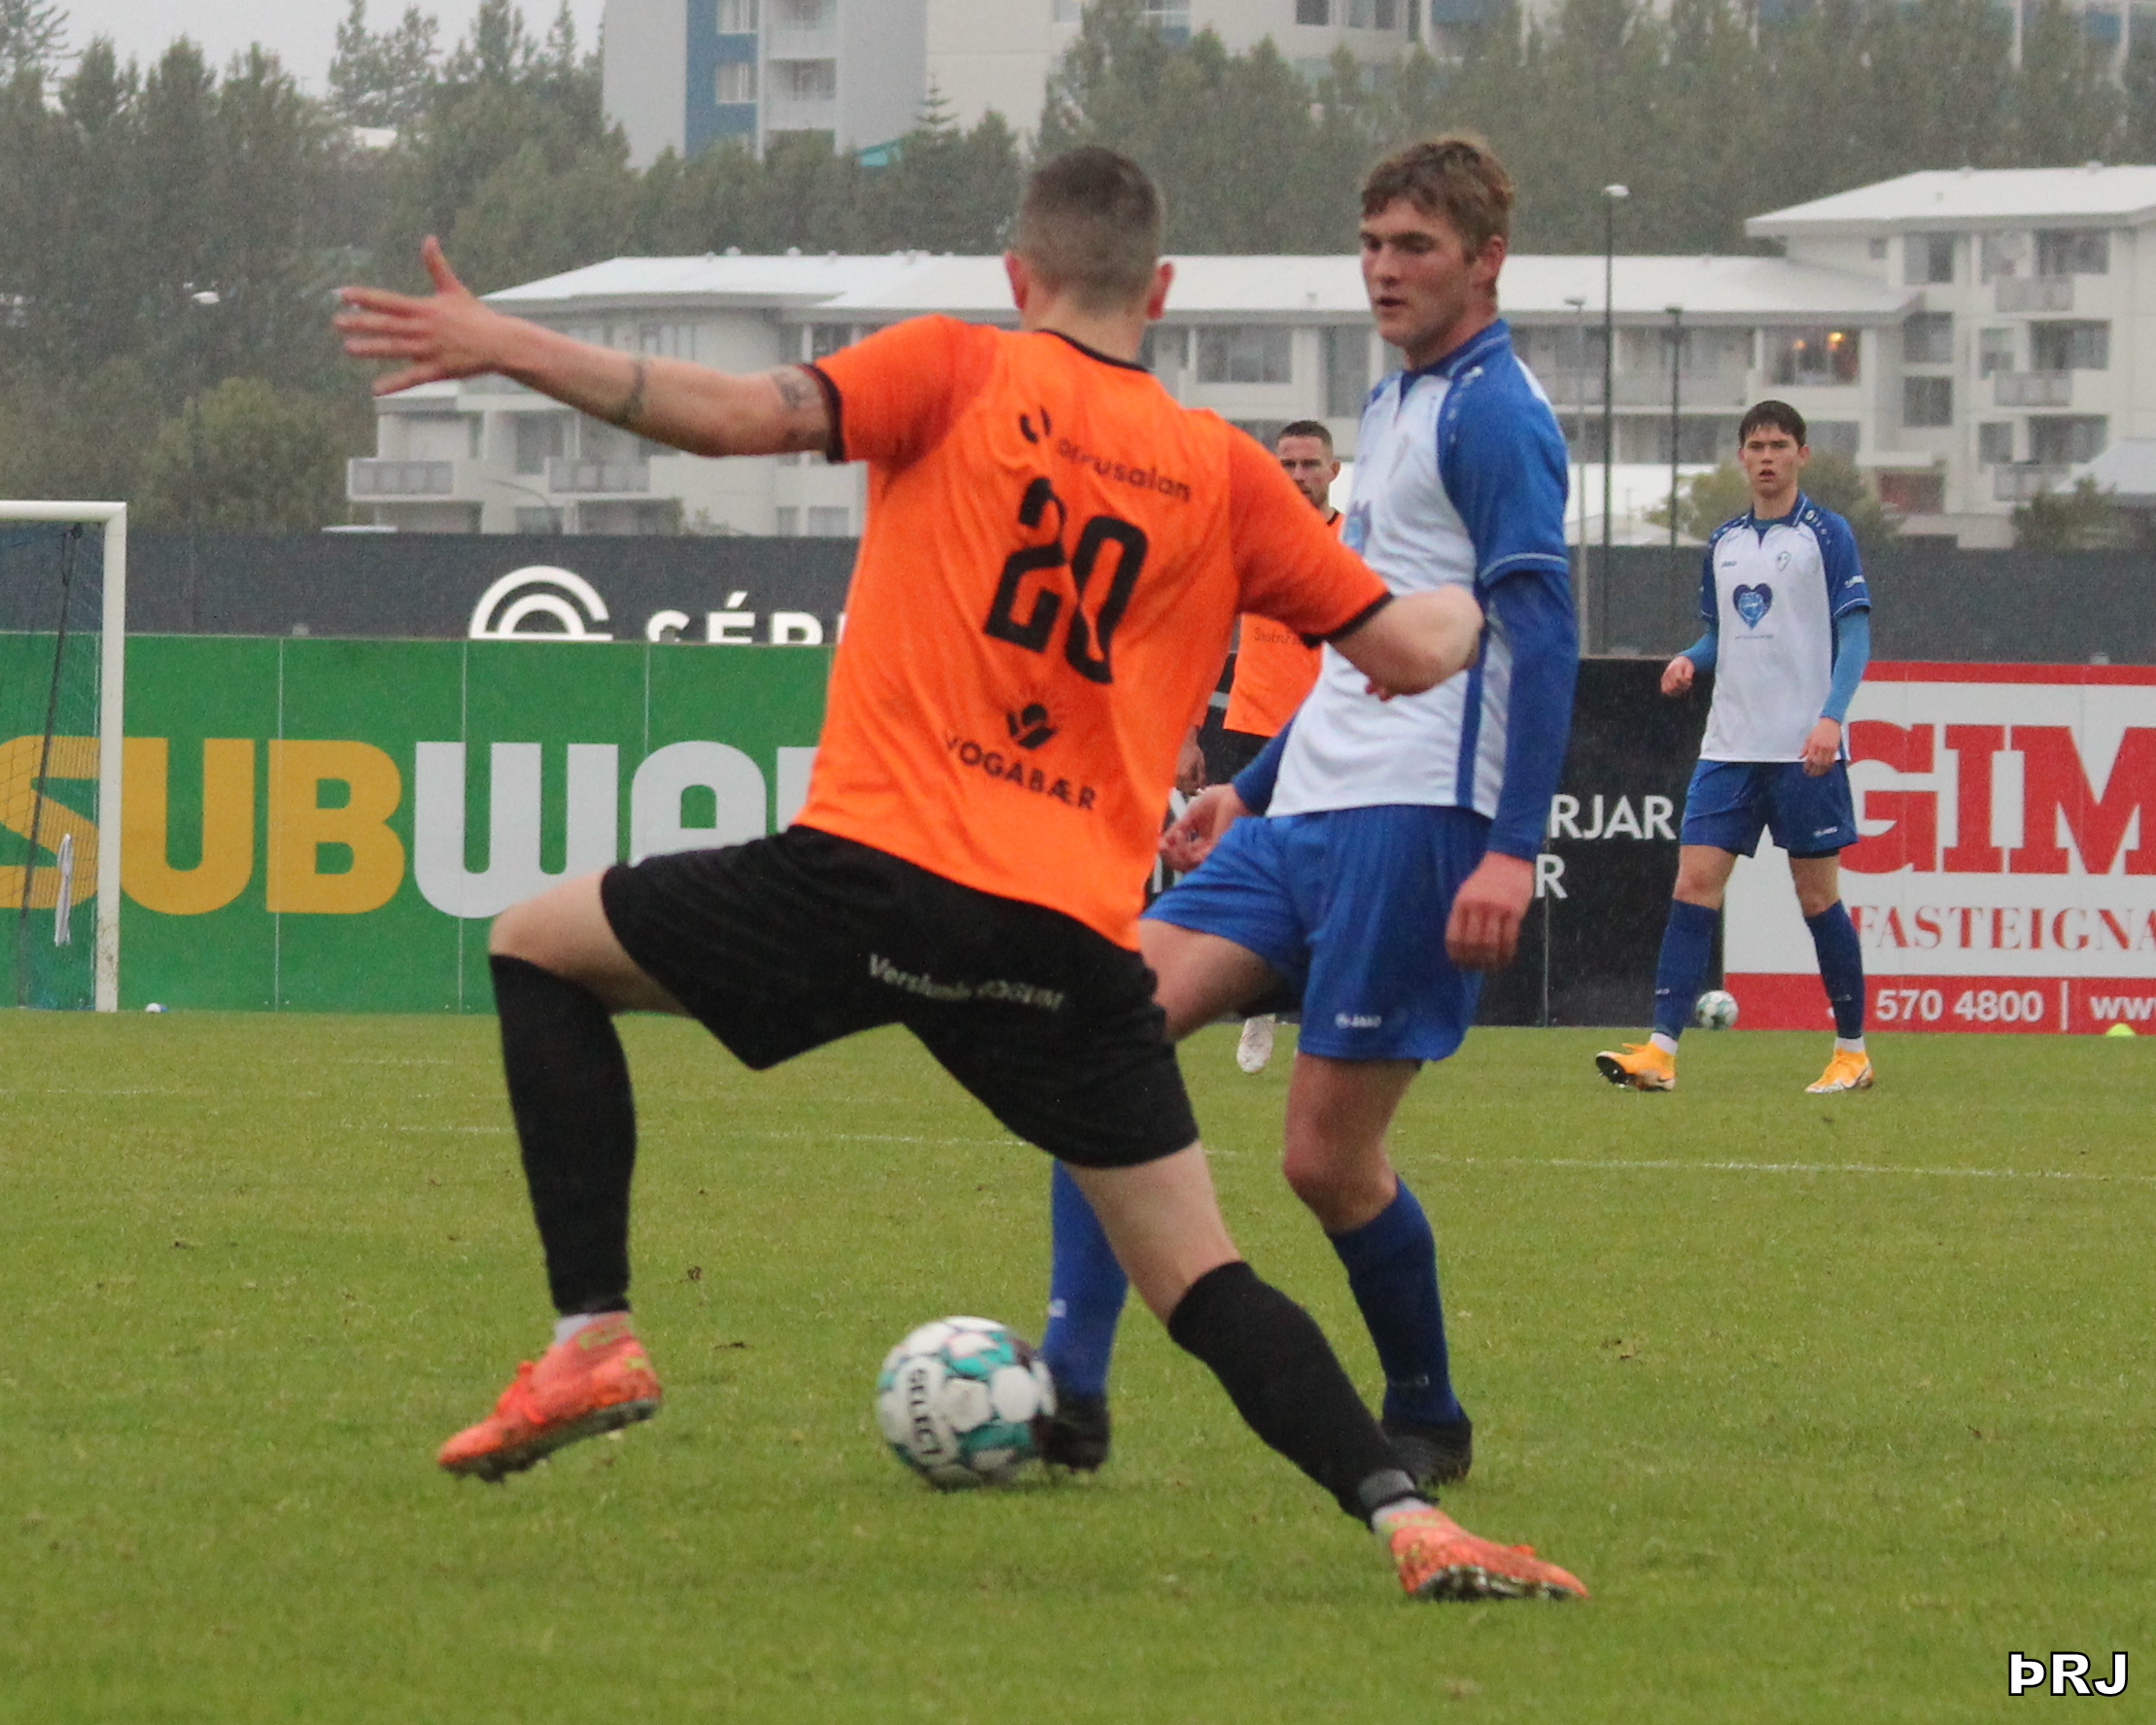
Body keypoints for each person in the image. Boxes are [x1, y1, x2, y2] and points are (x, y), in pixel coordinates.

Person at [336, 145, 1583, 1602]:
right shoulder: (1227, 474)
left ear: (1014, 275)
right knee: (1203, 1276)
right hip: (1059, 942)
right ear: (1158, 291)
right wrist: (1476, 603)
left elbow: (730, 416)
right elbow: (1409, 651)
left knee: (536, 945)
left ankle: (593, 1334)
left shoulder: (950, 368)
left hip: (867, 881)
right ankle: (1405, 1517)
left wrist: (505, 344)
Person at [1035, 135, 1578, 1498]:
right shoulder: (1391, 400)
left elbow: (1543, 636)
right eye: (1372, 243)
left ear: (1485, 260)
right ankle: (1068, 1389)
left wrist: (1510, 846)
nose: (1383, 269)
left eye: (1414, 247)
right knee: (1096, 1034)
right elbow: (1358, 642)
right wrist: (1252, 783)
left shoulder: (1493, 415)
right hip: (1307, 808)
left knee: (1323, 1161)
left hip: (1417, 818)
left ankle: (1425, 1409)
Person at [1596, 400, 1873, 1095]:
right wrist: (1690, 659)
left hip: (1802, 748)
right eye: (1756, 446)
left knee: (1817, 896)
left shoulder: (1825, 534)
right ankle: (1660, 1052)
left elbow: (1855, 635)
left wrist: (1831, 717)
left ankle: (1851, 1051)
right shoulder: (1722, 541)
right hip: (1729, 747)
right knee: (1693, 885)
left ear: (1801, 454)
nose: (1767, 456)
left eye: (1779, 444)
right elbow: (1723, 634)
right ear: (1741, 457)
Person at [1214, 420, 1340, 1076]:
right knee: (1255, 873)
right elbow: (1209, 631)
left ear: (1333, 470)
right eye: (1286, 464)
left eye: (1309, 464)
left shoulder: (1357, 542)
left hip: (1328, 733)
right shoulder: (1247, 538)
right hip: (1251, 728)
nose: (1298, 477)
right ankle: (1260, 1003)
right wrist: (1188, 731)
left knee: (1329, 875)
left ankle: (1325, 1007)